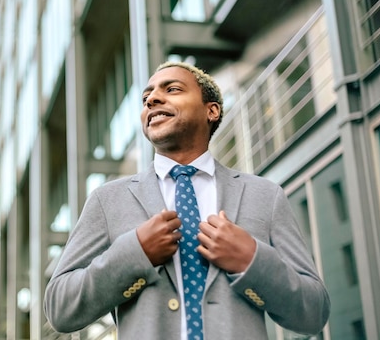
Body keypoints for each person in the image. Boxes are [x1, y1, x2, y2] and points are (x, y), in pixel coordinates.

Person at [43, 61, 330, 339]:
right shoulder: (107, 200)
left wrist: (251, 260)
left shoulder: (266, 196)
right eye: (146, 97)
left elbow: (314, 313)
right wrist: (134, 253)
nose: (152, 99)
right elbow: (60, 307)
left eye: (172, 89)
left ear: (212, 110)